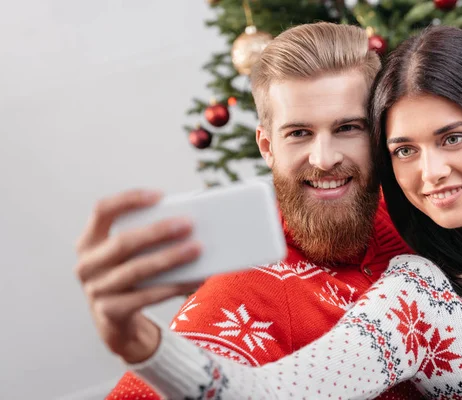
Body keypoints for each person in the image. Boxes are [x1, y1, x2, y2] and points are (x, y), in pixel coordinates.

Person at [114, 26, 462, 399]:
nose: (431, 172)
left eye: (453, 137)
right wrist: (141, 342)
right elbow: (262, 392)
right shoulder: (416, 295)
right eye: (405, 149)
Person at [75, 22, 421, 399]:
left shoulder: (420, 208)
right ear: (267, 146)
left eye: (348, 128)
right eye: (299, 133)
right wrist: (140, 343)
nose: (324, 160)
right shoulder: (240, 293)